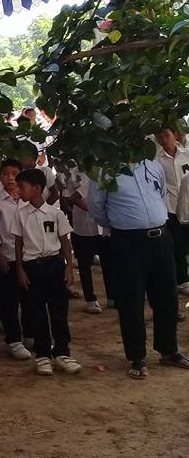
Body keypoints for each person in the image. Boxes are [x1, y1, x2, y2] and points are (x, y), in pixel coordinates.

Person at [89, 159, 189, 378]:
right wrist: (123, 224)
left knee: (167, 296)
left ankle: (168, 350)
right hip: (128, 241)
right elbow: (97, 208)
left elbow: (161, 195)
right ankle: (137, 356)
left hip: (161, 237)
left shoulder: (153, 165)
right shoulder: (105, 170)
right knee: (131, 299)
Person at [12, 169, 81, 377]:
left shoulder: (55, 213)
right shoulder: (20, 214)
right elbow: (18, 243)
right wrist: (20, 269)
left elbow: (65, 241)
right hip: (32, 266)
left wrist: (69, 266)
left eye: (22, 187)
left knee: (59, 310)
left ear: (36, 189)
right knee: (36, 311)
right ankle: (42, 354)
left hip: (54, 265)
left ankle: (62, 352)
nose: (18, 191)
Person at [0, 159, 33, 361]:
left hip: (29, 256)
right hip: (8, 257)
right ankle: (13, 339)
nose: (10, 178)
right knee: (9, 300)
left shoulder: (27, 200)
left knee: (30, 298)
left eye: (14, 173)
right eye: (5, 174)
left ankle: (30, 334)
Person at [61, 167, 110, 313]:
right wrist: (93, 210)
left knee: (108, 263)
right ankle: (90, 299)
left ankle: (112, 296)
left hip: (103, 227)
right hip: (83, 227)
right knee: (84, 266)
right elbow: (72, 197)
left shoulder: (104, 169)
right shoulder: (74, 173)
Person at [154, 128, 189, 296]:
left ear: (174, 134)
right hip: (170, 207)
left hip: (187, 206)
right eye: (160, 137)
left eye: (167, 135)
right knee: (177, 244)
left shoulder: (186, 155)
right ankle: (182, 280)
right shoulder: (157, 161)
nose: (164, 140)